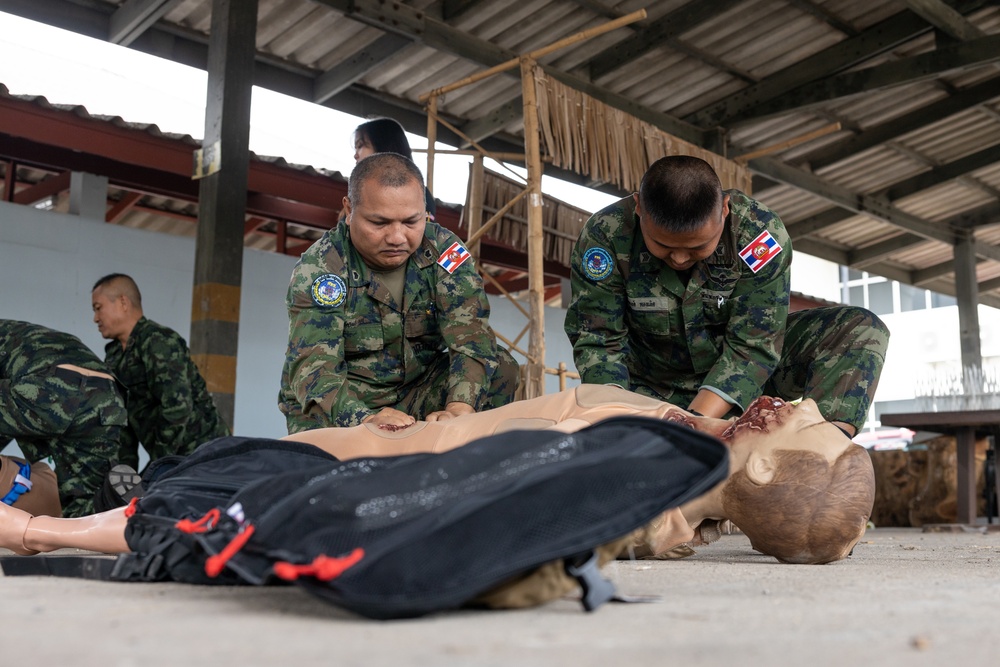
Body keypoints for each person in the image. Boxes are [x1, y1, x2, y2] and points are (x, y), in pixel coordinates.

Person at [1, 385, 874, 565]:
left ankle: (33, 529)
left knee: (200, 501)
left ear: (761, 460)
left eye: (803, 420)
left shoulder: (636, 484)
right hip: (384, 435)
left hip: (347, 471)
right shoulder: (691, 440)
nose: (794, 398)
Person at [564, 155, 889, 436]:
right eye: (663, 246)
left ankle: (821, 449)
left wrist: (693, 424)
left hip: (747, 380)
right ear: (638, 209)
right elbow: (599, 343)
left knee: (861, 329)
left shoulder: (758, 235)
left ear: (724, 210)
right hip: (646, 386)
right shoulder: (606, 235)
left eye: (695, 247)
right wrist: (614, 420)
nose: (678, 259)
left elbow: (754, 346)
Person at [279, 153, 519, 433]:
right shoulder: (322, 268)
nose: (396, 237)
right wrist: (364, 420)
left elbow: (472, 336)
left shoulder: (444, 251)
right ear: (348, 209)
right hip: (343, 401)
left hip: (416, 392)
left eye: (410, 222)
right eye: (379, 223)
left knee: (502, 366)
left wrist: (459, 409)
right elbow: (314, 368)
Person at [90, 274, 230, 468]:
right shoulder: (114, 356)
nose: (96, 318)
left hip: (205, 456)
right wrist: (124, 475)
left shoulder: (159, 341)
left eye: (98, 308)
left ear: (123, 302)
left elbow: (177, 407)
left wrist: (158, 465)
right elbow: (122, 421)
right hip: (171, 460)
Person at [0, 319, 128, 517]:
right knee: (84, 501)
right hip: (106, 395)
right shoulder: (24, 330)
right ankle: (114, 503)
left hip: (48, 388)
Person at [352, 117, 436, 221]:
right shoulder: (358, 193)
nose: (355, 155)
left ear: (383, 146)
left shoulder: (419, 193)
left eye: (360, 146)